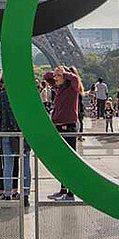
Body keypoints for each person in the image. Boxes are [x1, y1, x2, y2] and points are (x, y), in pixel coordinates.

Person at [44, 66, 81, 200]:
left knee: (69, 161)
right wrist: (56, 73)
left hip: (68, 127)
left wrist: (64, 73)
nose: (55, 78)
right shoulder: (60, 88)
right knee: (62, 161)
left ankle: (71, 192)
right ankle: (63, 189)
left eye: (58, 76)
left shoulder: (72, 88)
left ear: (65, 77)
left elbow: (76, 79)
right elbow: (46, 77)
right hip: (59, 127)